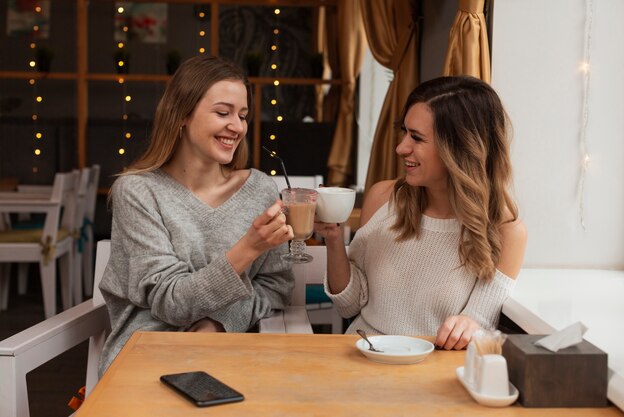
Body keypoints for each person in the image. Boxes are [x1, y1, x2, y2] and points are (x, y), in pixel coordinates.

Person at [98, 55, 295, 374]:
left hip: (230, 359)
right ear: (182, 115)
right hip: (147, 363)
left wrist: (220, 322)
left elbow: (276, 287)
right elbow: (169, 302)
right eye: (223, 113)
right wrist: (248, 249)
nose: (237, 126)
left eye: (243, 115)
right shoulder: (138, 192)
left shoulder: (260, 189)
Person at [315, 76, 527, 350]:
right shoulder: (383, 198)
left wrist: (470, 325)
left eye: (416, 137)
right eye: (404, 132)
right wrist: (333, 238)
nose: (401, 147)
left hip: (433, 371)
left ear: (459, 148)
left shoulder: (506, 231)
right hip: (363, 357)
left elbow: (475, 323)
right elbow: (349, 306)